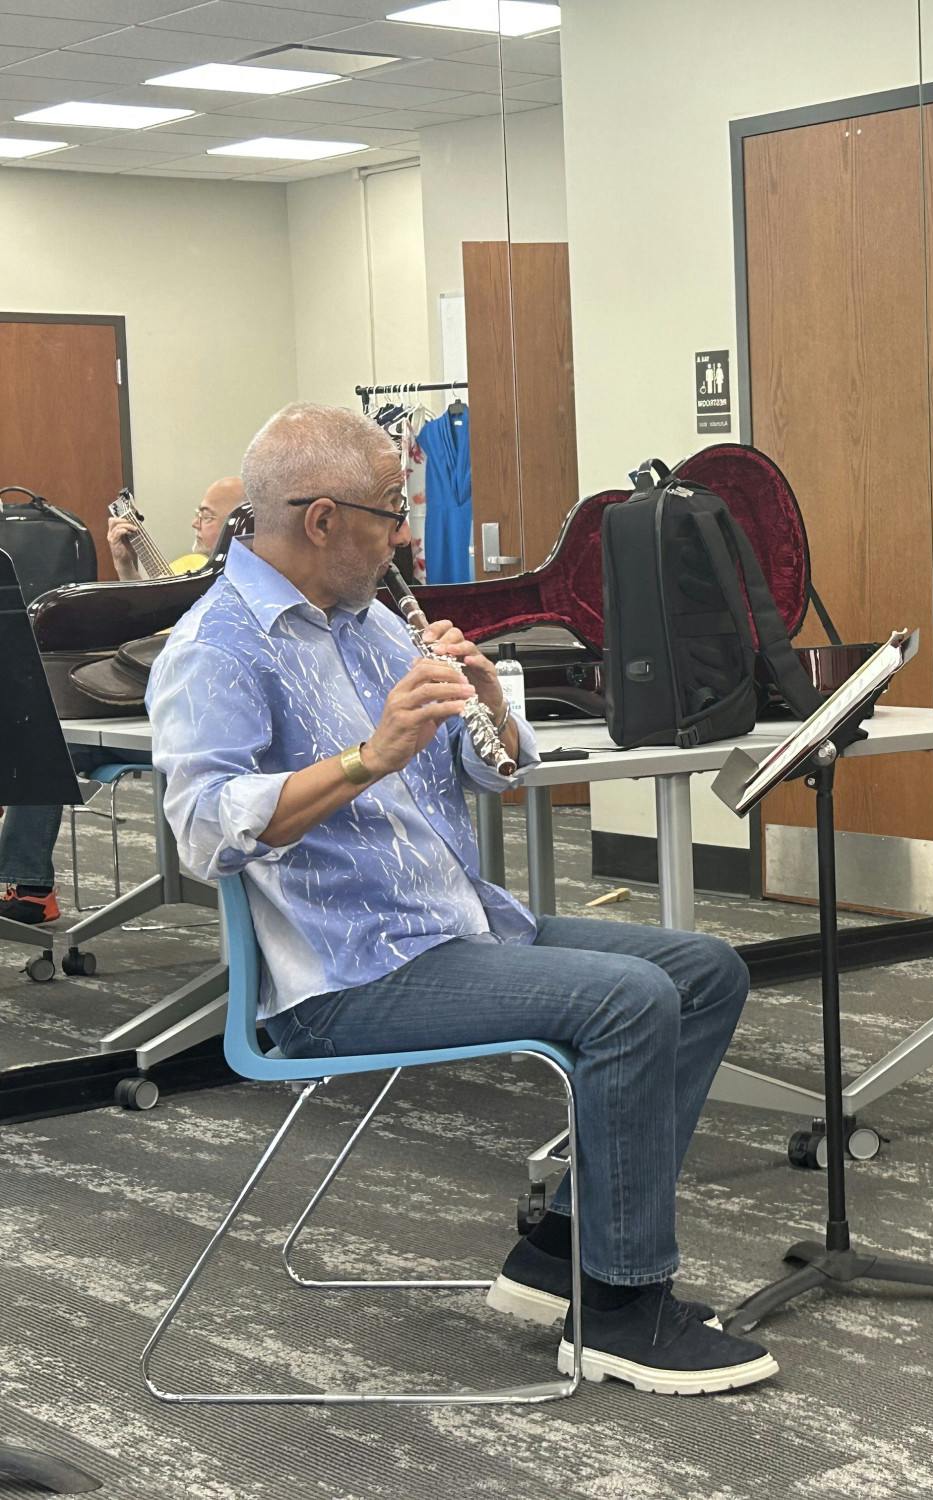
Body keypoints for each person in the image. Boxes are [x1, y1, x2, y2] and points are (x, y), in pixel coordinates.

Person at [147, 403, 776, 1396]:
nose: (403, 535)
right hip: (343, 978)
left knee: (701, 970)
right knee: (628, 1001)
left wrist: (486, 701)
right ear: (319, 521)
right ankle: (620, 1308)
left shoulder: (365, 628)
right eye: (389, 512)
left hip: (455, 930)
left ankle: (554, 1252)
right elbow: (200, 829)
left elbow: (488, 776)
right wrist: (366, 757)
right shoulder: (215, 650)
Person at [0, 477, 249, 924]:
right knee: (36, 737)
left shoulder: (240, 586)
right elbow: (144, 639)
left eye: (208, 514)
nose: (195, 519)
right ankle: (26, 879)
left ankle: (27, 884)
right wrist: (127, 568)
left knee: (43, 743)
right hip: (137, 711)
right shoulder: (187, 566)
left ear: (240, 524)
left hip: (191, 723)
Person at [106, 475, 240, 581]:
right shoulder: (192, 565)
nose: (195, 523)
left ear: (238, 526)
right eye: (197, 514)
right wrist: (124, 565)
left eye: (206, 517)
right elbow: (150, 611)